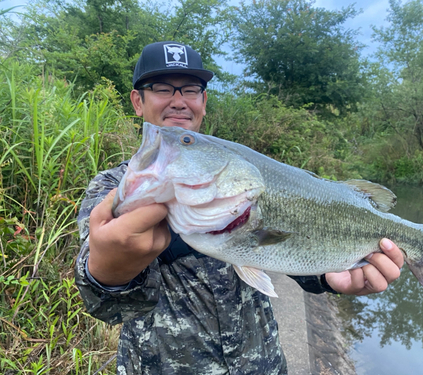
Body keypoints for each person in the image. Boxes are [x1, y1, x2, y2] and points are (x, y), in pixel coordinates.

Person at [75, 41, 404, 374]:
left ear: (203, 101)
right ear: (137, 101)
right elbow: (108, 308)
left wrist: (331, 276)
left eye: (191, 90)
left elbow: (288, 248)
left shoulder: (245, 174)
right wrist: (108, 273)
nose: (178, 101)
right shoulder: (110, 191)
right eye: (162, 88)